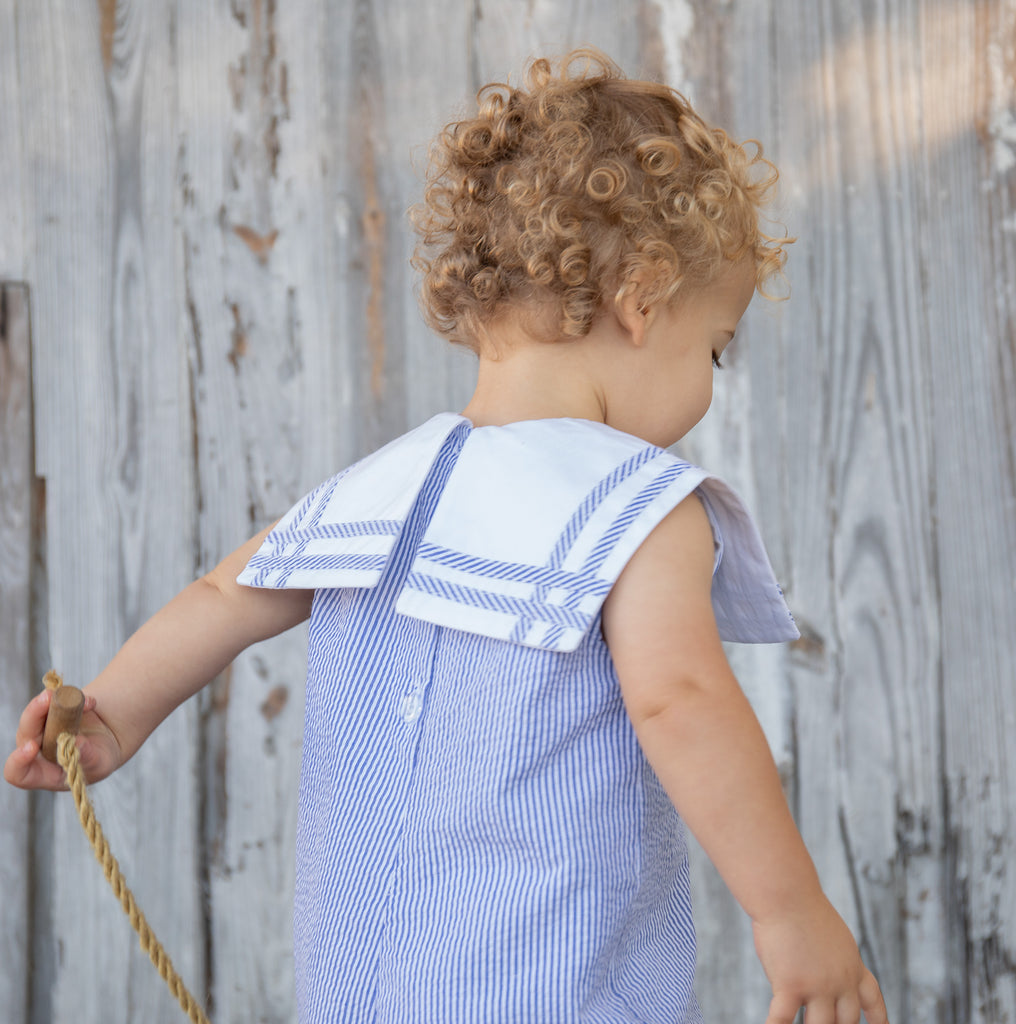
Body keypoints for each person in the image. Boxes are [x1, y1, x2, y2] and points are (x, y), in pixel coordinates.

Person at [6, 49, 888, 1024]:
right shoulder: (634, 506)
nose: (710, 379)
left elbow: (222, 596)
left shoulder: (383, 489)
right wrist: (790, 910)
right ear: (642, 301)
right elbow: (679, 699)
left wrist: (115, 713)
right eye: (712, 345)